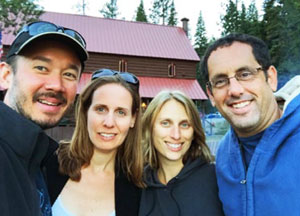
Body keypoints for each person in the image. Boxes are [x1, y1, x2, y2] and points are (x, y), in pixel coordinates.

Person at [201, 33, 300, 216]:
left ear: (270, 78)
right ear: (211, 95)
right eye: (221, 81)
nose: (235, 90)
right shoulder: (223, 154)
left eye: (245, 74)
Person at [0, 21, 88, 216]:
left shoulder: (37, 156)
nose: (56, 85)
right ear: (6, 75)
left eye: (69, 74)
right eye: (41, 68)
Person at [52, 69, 144, 216]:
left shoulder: (137, 187)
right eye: (101, 109)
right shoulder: (49, 163)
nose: (109, 123)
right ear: (85, 111)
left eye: (121, 112)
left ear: (132, 119)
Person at [139, 90, 224, 216]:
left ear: (194, 131)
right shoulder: (138, 184)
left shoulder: (216, 179)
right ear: (149, 128)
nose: (176, 135)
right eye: (166, 123)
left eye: (184, 125)